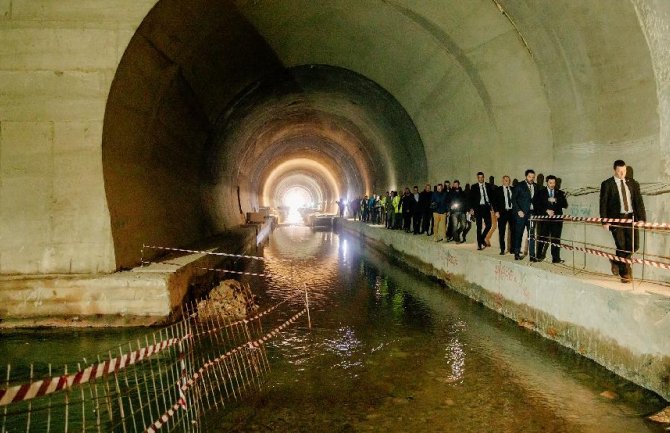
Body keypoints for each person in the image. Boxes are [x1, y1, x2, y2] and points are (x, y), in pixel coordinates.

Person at [599, 160, 646, 283]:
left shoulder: (633, 183)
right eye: (619, 171)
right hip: (616, 219)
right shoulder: (607, 184)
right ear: (614, 170)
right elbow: (603, 203)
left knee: (634, 246)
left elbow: (638, 202)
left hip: (630, 218)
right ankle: (624, 274)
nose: (622, 174)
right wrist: (605, 221)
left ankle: (616, 261)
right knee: (622, 246)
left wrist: (641, 219)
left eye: (624, 171)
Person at [534, 175, 568, 263]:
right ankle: (538, 256)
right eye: (550, 183)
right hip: (544, 220)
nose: (552, 185)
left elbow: (565, 205)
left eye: (554, 183)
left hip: (556, 221)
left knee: (556, 239)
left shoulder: (559, 193)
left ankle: (556, 259)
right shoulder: (540, 192)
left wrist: (556, 200)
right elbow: (536, 205)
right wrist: (546, 210)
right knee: (542, 238)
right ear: (547, 182)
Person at [513, 169, 537, 261]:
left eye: (533, 177)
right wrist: (519, 210)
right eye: (530, 177)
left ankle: (532, 256)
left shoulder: (535, 186)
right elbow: (513, 200)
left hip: (531, 214)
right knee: (519, 233)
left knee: (531, 235)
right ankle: (516, 253)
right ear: (526, 176)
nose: (531, 179)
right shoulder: (519, 185)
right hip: (521, 214)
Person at [469, 172, 494, 250]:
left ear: (484, 177)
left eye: (482, 177)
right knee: (479, 227)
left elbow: (492, 197)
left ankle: (481, 238)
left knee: (489, 225)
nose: (481, 179)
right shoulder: (474, 187)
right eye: (479, 177)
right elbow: (470, 198)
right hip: (478, 208)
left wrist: (492, 207)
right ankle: (479, 244)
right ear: (477, 178)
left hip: (486, 208)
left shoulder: (488, 186)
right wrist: (471, 208)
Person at [493, 175, 515, 255]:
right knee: (502, 232)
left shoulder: (513, 189)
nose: (507, 182)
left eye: (508, 180)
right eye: (505, 180)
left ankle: (512, 249)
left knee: (513, 231)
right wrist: (496, 211)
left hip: (511, 212)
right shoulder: (498, 190)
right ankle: (502, 249)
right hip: (502, 213)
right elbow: (494, 202)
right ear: (502, 181)